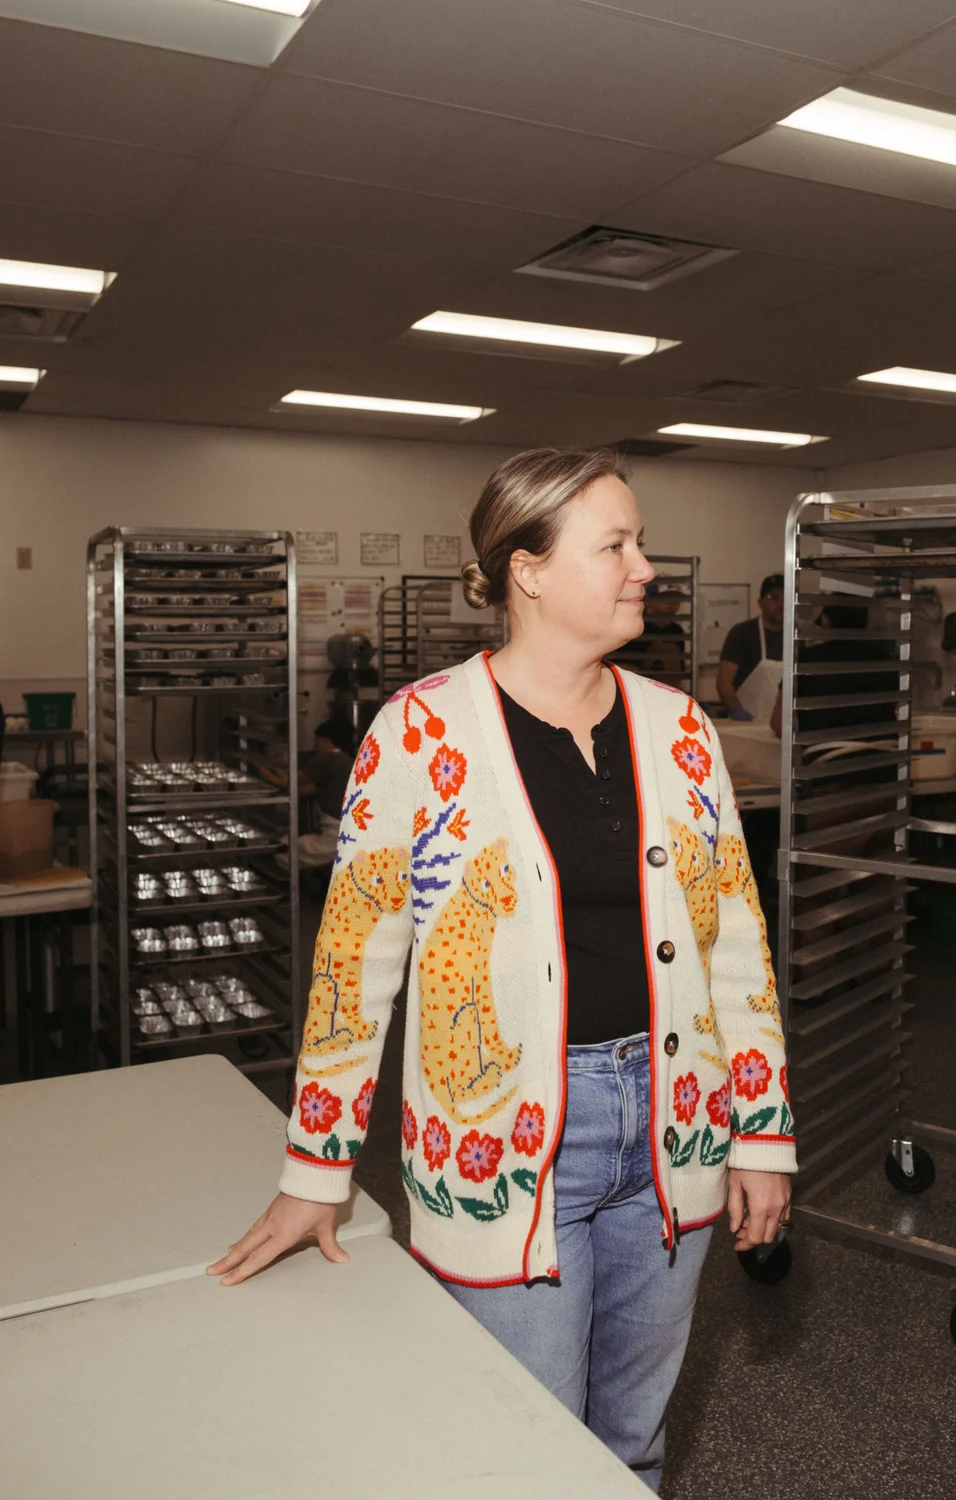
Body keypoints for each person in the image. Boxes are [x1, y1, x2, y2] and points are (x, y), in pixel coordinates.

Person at [208, 448, 795, 1492]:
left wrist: (760, 1131)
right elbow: (354, 962)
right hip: (499, 1145)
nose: (643, 566)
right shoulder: (419, 732)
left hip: (676, 1124)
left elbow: (735, 946)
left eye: (638, 541)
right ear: (527, 570)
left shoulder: (681, 732)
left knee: (632, 1445)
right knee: (520, 1454)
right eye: (614, 544)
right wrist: (316, 1170)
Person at [260, 718, 355, 867]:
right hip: (349, 833)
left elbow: (294, 782)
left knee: (285, 849)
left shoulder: (326, 757)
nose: (314, 746)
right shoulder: (347, 761)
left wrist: (264, 772)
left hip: (335, 836)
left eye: (316, 741)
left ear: (326, 741)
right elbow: (307, 790)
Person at [717, 574, 784, 721]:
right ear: (760, 602)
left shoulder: (795, 637)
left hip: (782, 725)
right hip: (747, 725)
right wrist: (735, 709)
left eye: (785, 599)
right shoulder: (742, 633)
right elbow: (724, 682)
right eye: (773, 597)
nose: (780, 604)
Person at [609, 578, 688, 685]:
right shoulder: (634, 627)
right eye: (666, 600)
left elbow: (679, 669)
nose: (672, 605)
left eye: (676, 600)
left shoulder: (676, 631)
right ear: (650, 601)